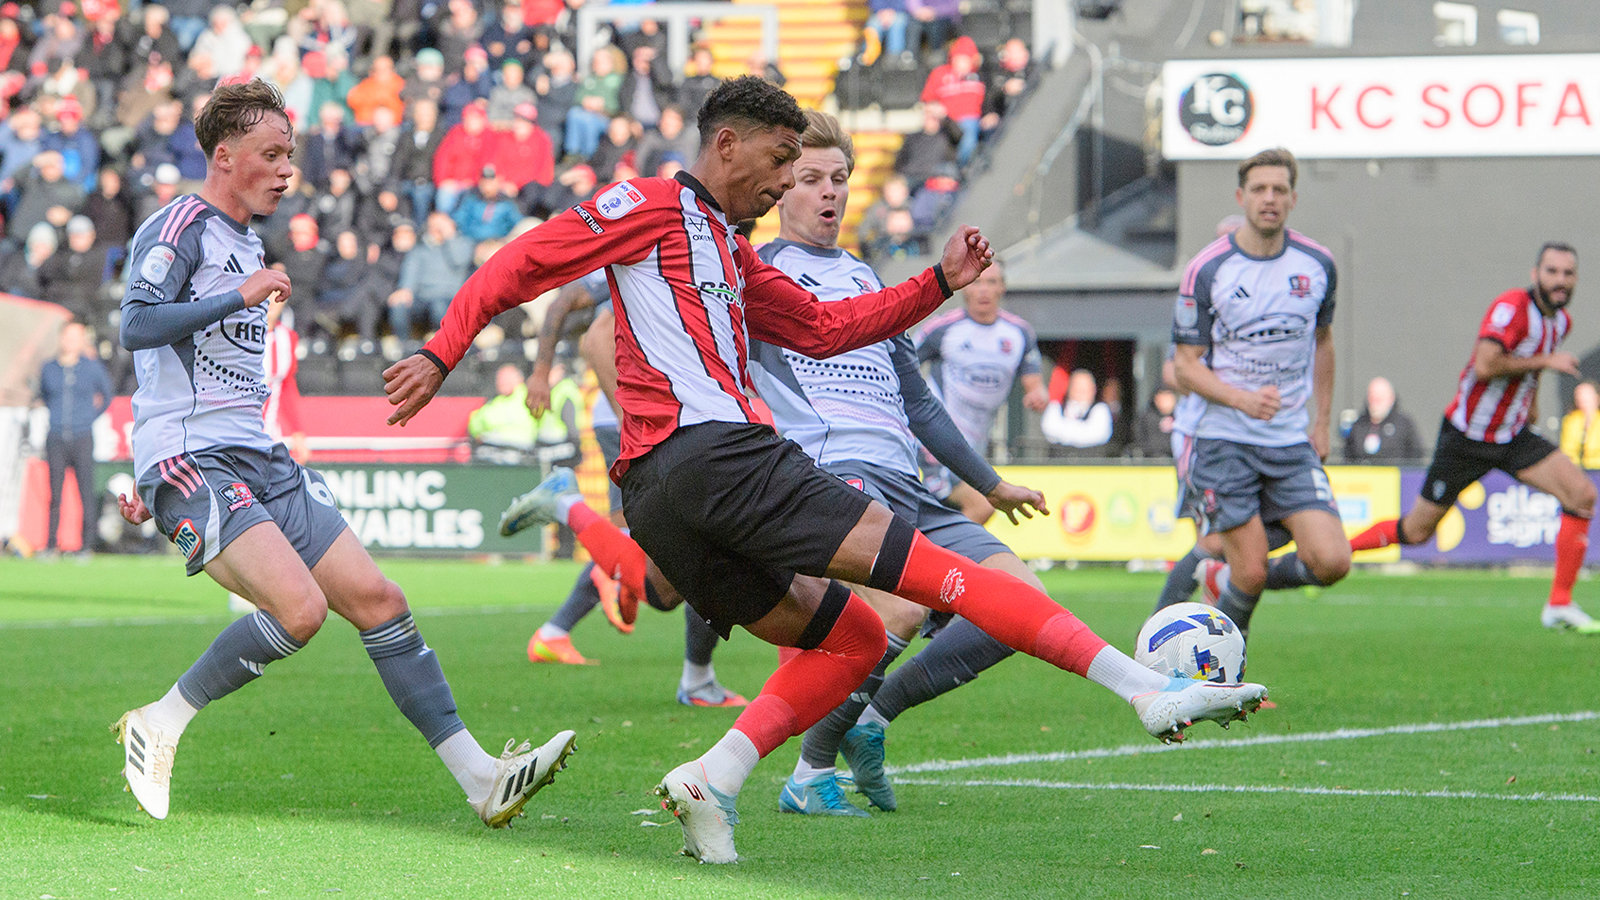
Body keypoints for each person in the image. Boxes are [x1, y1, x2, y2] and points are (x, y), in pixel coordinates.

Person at [383, 76, 1267, 863]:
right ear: (725, 144)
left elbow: (823, 329)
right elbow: (522, 262)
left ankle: (713, 777)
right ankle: (1143, 688)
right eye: (777, 162)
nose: (781, 183)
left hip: (659, 498)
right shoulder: (652, 205)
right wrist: (441, 348)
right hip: (719, 455)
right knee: (941, 576)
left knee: (851, 638)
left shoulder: (730, 253)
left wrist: (937, 283)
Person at [110, 80, 575, 828]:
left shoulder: (245, 241)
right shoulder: (180, 226)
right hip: (192, 456)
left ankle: (480, 778)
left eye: (290, 152)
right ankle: (160, 720)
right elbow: (136, 325)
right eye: (271, 153)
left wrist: (247, 290)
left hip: (257, 455)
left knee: (381, 600)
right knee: (299, 611)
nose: (287, 167)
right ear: (223, 156)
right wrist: (239, 298)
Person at [750, 109, 1054, 816]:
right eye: (811, 179)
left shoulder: (864, 276)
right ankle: (809, 773)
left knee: (1020, 604)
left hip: (910, 486)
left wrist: (991, 483)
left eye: (841, 179)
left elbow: (918, 404)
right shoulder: (756, 274)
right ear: (779, 189)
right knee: (902, 603)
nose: (830, 193)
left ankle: (873, 716)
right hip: (833, 475)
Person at [514, 270, 747, 705]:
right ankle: (591, 559)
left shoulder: (703, 260)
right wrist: (544, 375)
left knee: (659, 542)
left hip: (654, 420)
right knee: (687, 542)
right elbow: (586, 324)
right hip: (638, 419)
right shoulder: (651, 252)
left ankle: (562, 621)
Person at [1350, 242, 1599, 633]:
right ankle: (1337, 554)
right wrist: (1546, 363)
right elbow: (1486, 365)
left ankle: (1560, 604)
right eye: (1552, 271)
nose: (1560, 280)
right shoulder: (1513, 307)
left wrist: (1531, 401)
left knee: (1582, 495)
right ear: (1535, 274)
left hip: (1513, 436)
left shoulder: (1560, 321)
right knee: (1416, 532)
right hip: (1467, 438)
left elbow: (1528, 371)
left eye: (1568, 273)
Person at [1172, 147, 1350, 640]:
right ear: (1241, 196)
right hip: (1225, 438)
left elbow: (1323, 341)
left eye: (1278, 189)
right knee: (1249, 572)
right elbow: (1185, 366)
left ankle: (1218, 572)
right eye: (1258, 189)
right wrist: (1240, 399)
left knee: (1332, 561)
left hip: (1290, 438)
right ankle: (1226, 675)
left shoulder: (1317, 264)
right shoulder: (1208, 269)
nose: (1268, 198)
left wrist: (1322, 421)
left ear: (1293, 198)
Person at [915, 260, 1048, 523]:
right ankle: (939, 563)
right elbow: (900, 365)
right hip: (935, 442)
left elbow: (1035, 385)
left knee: (939, 517)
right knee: (983, 505)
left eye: (992, 282)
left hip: (975, 448)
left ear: (1002, 289)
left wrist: (1038, 396)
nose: (983, 290)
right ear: (964, 287)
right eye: (977, 282)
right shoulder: (941, 329)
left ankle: (927, 558)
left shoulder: (1019, 332)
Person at [34, 321, 112, 557]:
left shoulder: (92, 368)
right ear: (61, 338)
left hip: (82, 436)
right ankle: (50, 545)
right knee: (54, 494)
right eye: (68, 336)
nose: (71, 342)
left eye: (76, 337)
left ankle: (87, 545)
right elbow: (44, 396)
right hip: (56, 436)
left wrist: (88, 418)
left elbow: (106, 396)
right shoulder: (48, 368)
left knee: (85, 492)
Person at [1343, 376, 1423, 462]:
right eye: (1372, 399)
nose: (1375, 404)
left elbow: (1416, 454)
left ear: (1391, 399)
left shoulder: (1404, 424)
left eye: (1379, 399)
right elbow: (1348, 454)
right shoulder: (1359, 425)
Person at [1040, 369, 1114, 451]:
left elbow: (1096, 435)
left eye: (1084, 388)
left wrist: (1064, 430)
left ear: (1093, 389)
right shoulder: (1055, 407)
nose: (1080, 392)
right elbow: (1050, 431)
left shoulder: (1101, 409)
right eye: (1077, 387)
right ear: (1069, 388)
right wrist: (1080, 429)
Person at [1561, 381, 1600, 469]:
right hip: (1579, 470)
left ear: (1596, 398)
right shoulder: (1571, 420)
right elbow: (1568, 450)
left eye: (1587, 398)